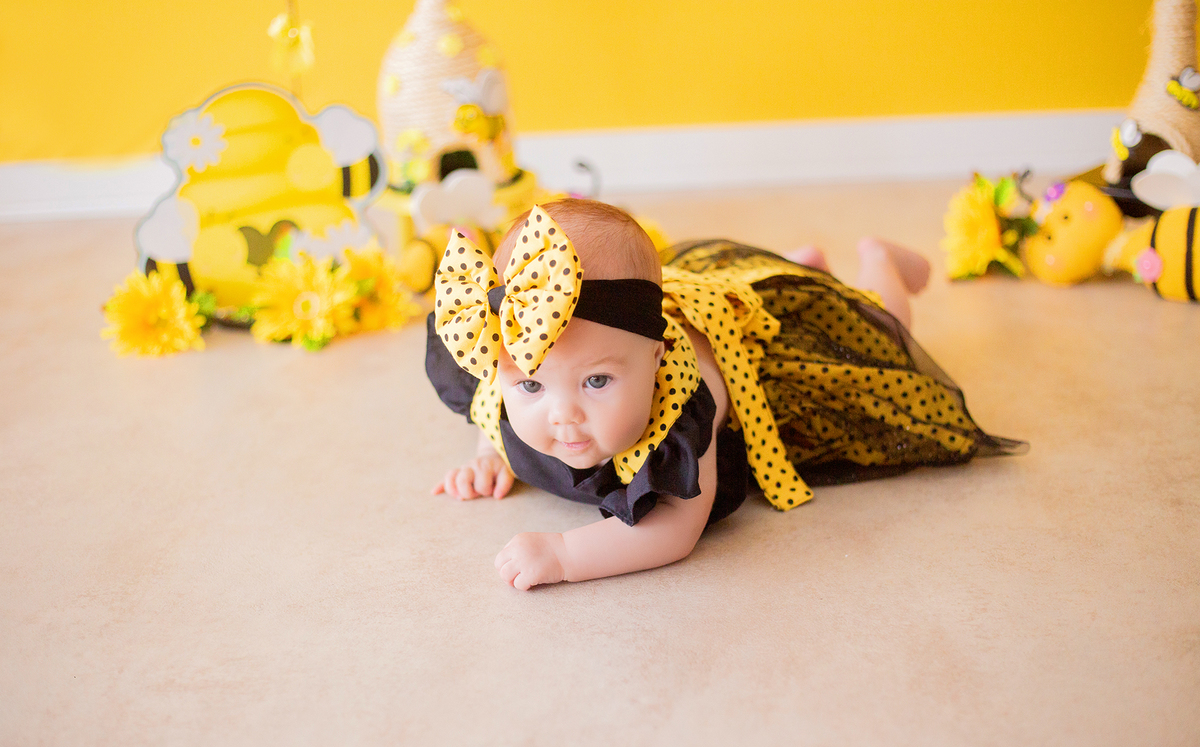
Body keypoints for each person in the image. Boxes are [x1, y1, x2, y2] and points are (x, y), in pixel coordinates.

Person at [426, 199, 1023, 590]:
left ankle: (878, 263)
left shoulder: (684, 405)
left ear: (656, 357)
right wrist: (486, 454)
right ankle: (793, 264)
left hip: (759, 357)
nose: (562, 415)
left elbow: (678, 528)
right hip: (695, 295)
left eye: (598, 381)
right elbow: (493, 398)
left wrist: (563, 554)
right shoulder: (514, 352)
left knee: (872, 335)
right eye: (530, 383)